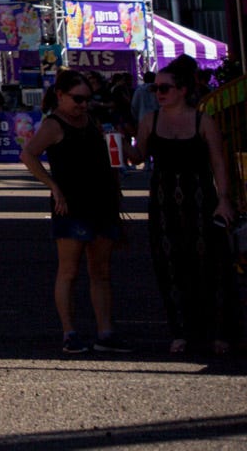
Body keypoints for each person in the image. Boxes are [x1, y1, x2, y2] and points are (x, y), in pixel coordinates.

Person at [134, 57, 238, 360]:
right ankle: (180, 331)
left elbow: (218, 161)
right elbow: (137, 155)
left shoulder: (202, 120)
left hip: (200, 200)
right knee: (170, 265)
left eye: (164, 88)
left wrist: (224, 199)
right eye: (156, 88)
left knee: (212, 266)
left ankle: (220, 332)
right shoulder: (149, 121)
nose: (159, 94)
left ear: (181, 90)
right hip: (164, 203)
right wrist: (119, 149)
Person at [22, 67, 128, 354]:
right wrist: (52, 185)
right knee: (69, 270)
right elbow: (28, 154)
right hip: (71, 204)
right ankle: (69, 332)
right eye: (77, 99)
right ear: (60, 95)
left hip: (101, 202)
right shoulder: (54, 124)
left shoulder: (91, 120)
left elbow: (112, 159)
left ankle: (106, 331)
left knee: (101, 271)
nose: (82, 105)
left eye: (87, 99)